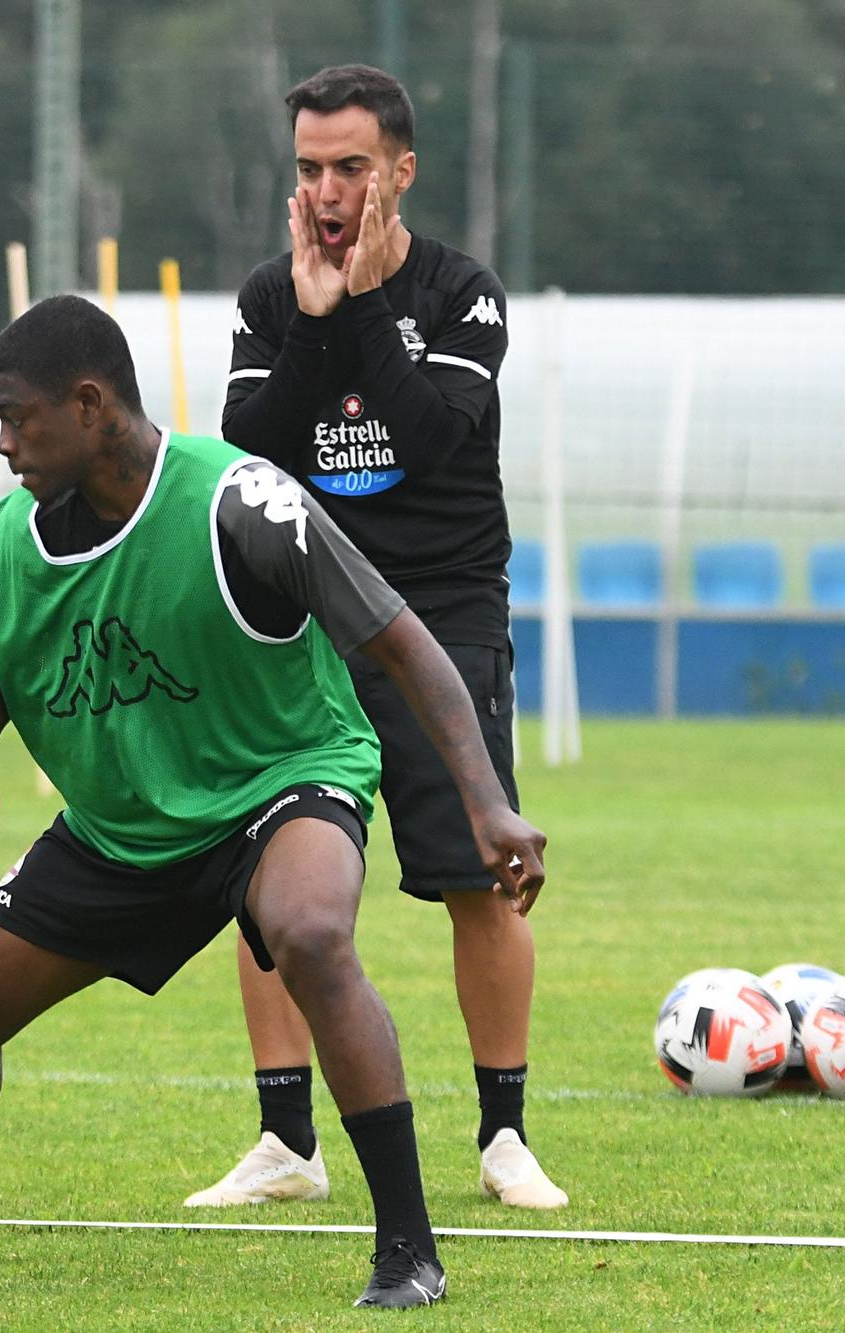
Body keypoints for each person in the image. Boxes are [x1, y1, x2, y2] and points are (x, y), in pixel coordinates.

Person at [0, 296, 546, 1308]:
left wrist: (487, 805)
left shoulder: (238, 501)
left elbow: (402, 642)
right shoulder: (13, 535)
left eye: (18, 419)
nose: (3, 443)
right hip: (122, 828)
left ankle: (406, 1248)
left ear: (92, 404)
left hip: (279, 784)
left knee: (310, 933)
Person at [193, 62, 565, 1212]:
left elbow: (428, 437)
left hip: (443, 609)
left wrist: (353, 311)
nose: (325, 190)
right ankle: (284, 1141)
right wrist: (310, 323)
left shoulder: (464, 294)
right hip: (301, 612)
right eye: (306, 169)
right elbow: (251, 446)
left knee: (477, 880)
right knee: (267, 873)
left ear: (399, 171)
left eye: (348, 167)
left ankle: (502, 1136)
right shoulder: (269, 297)